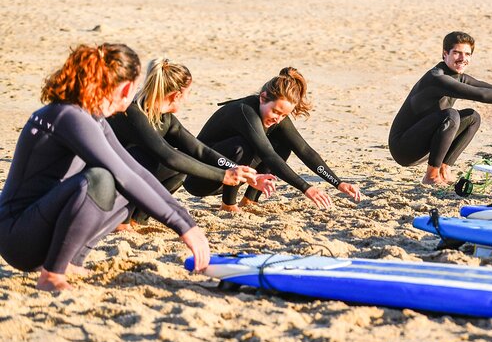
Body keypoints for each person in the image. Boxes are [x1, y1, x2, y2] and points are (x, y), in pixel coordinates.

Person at [0, 44, 210, 291]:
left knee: (127, 183)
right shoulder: (68, 116)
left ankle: (71, 262)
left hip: (38, 227)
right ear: (126, 87)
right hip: (18, 236)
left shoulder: (91, 117)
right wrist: (182, 228)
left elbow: (136, 171)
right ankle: (52, 275)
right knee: (101, 179)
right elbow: (122, 175)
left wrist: (187, 221)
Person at [107, 58, 276, 227]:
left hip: (120, 182)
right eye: (188, 94)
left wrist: (248, 175)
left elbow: (200, 150)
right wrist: (223, 176)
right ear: (177, 95)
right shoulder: (132, 113)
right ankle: (122, 221)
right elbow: (169, 156)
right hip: (100, 185)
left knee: (179, 170)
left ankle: (137, 219)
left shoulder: (165, 118)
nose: (187, 99)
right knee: (147, 157)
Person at [183, 67, 361, 211]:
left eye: (284, 115)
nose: (277, 118)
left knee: (282, 145)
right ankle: (229, 205)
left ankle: (250, 200)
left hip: (234, 176)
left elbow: (305, 150)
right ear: (262, 98)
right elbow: (268, 155)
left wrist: (338, 183)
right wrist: (307, 188)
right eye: (276, 111)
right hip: (202, 179)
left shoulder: (277, 116)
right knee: (243, 147)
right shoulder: (245, 111)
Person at [388, 31, 492, 186]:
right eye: (457, 53)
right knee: (450, 115)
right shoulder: (437, 78)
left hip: (427, 145)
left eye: (467, 54)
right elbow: (482, 95)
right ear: (445, 54)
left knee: (472, 117)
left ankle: (444, 169)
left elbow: (490, 88)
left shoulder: (459, 76)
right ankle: (431, 176)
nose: (463, 59)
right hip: (404, 148)